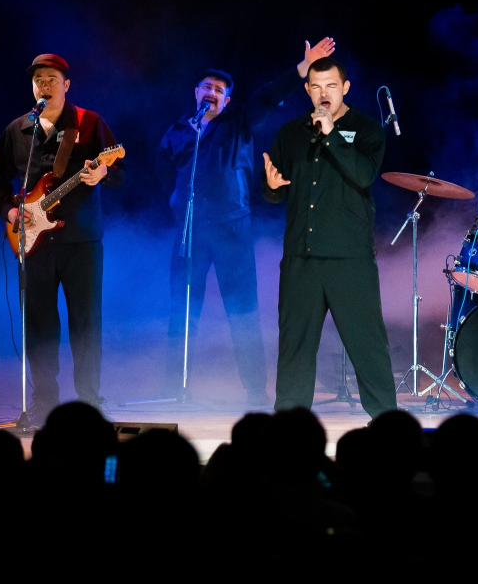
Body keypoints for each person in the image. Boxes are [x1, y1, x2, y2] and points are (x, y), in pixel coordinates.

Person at [154, 38, 335, 406]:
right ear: (196, 92)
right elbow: (162, 170)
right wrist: (173, 201)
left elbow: (268, 96)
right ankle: (175, 388)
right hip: (191, 231)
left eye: (219, 90)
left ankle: (255, 390)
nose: (212, 93)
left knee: (242, 311)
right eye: (207, 87)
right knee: (183, 310)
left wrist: (302, 69)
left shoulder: (239, 121)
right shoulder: (178, 131)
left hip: (231, 228)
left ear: (227, 100)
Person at [0, 54, 125, 421]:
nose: (44, 85)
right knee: (39, 324)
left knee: (86, 322)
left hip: (81, 240)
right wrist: (11, 212)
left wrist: (103, 174)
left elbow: (121, 171)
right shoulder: (18, 130)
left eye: (51, 78)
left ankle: (89, 402)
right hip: (33, 244)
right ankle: (44, 402)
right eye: (38, 80)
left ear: (66, 85)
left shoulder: (89, 123)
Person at [261, 57, 398, 417]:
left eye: (331, 86)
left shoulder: (366, 129)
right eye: (316, 87)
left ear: (345, 88)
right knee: (294, 349)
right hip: (300, 260)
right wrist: (271, 187)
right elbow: (276, 190)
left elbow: (363, 175)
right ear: (307, 89)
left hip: (349, 259)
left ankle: (387, 424)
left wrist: (331, 134)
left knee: (367, 346)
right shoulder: (291, 132)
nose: (324, 93)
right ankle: (289, 426)